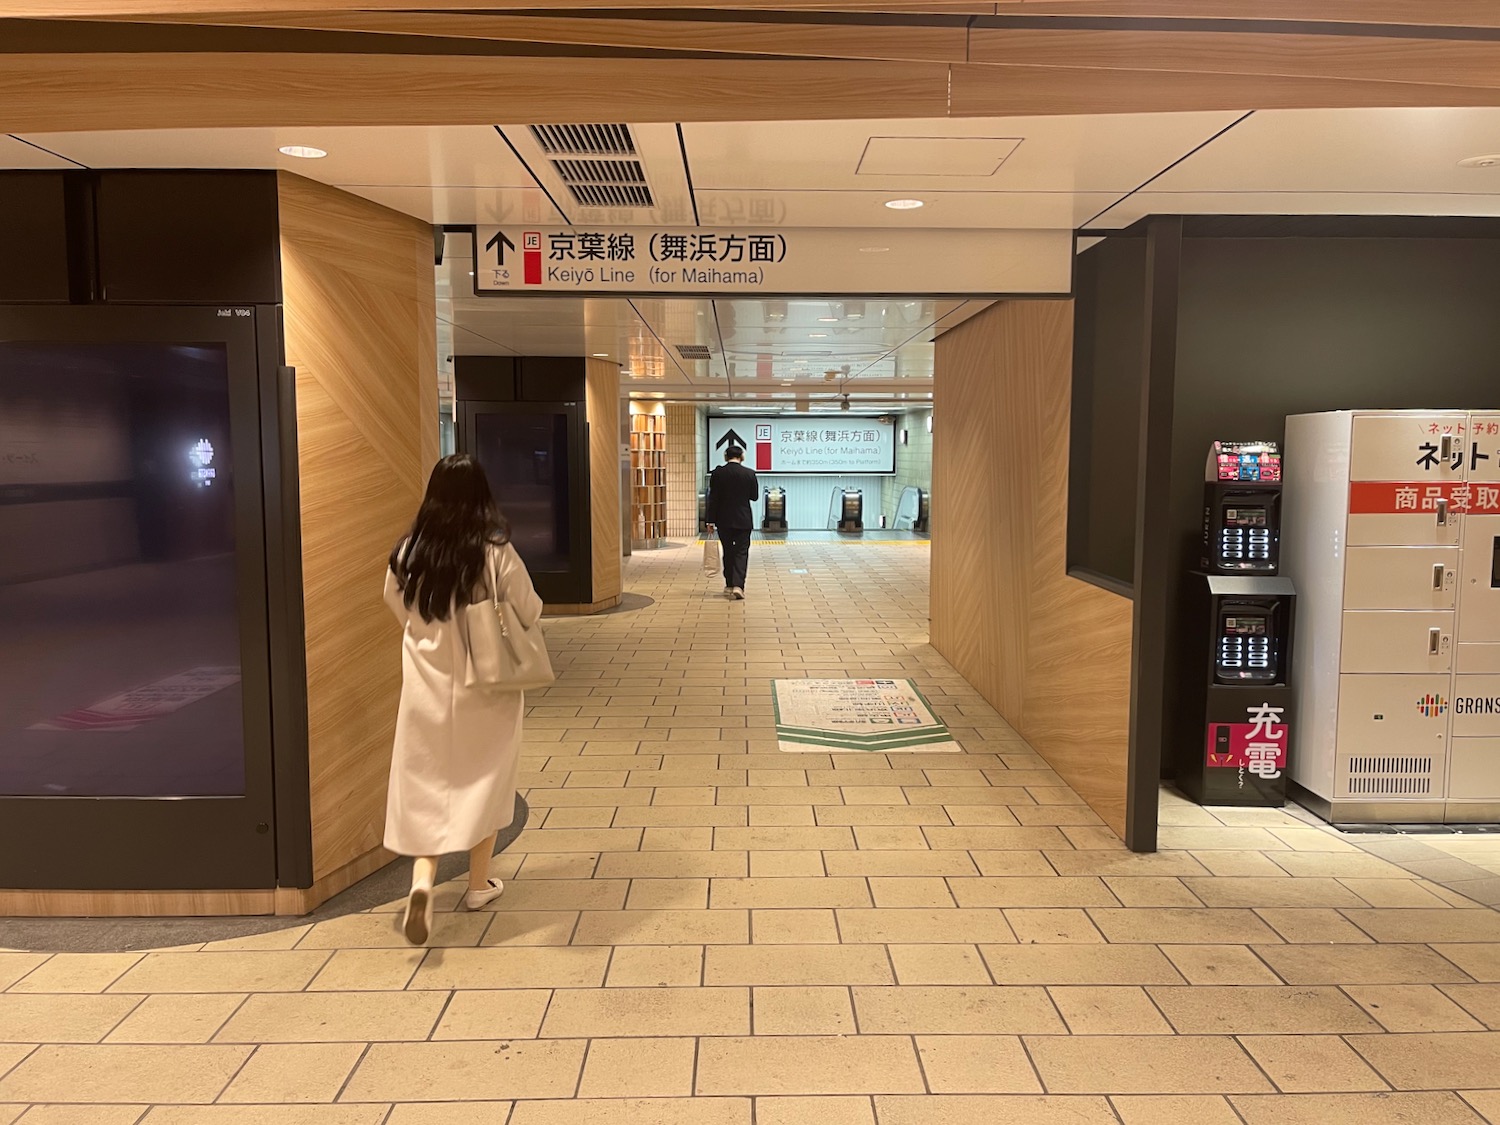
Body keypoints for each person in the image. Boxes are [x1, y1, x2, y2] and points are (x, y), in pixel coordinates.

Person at [383, 452, 543, 945]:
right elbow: (529, 606)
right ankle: (478, 885)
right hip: (486, 686)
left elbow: (394, 601)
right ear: (480, 496)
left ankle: (423, 882)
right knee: (486, 781)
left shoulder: (410, 550)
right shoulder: (494, 550)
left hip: (426, 688)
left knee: (428, 782)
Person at [705, 444, 760, 600]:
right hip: (743, 520)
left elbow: (713, 498)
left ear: (725, 456)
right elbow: (754, 496)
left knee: (728, 551)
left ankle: (729, 584)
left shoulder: (718, 473)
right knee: (741, 553)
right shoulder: (749, 473)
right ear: (741, 456)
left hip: (724, 520)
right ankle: (738, 585)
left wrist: (710, 520)